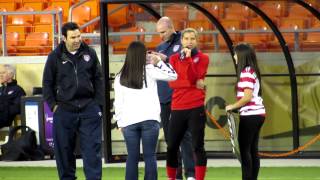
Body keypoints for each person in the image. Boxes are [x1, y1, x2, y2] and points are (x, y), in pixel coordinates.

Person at [42, 22, 103, 180]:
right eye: (73, 37)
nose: (77, 40)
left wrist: (98, 104)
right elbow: (47, 84)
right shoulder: (54, 57)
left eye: (79, 36)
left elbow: (99, 79)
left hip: (89, 108)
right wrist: (54, 106)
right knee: (64, 151)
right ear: (64, 38)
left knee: (92, 150)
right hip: (64, 109)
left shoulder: (90, 53)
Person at [113, 41, 177, 180]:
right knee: (150, 156)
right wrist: (159, 61)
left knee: (132, 157)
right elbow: (173, 75)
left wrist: (120, 123)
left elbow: (118, 103)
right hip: (150, 120)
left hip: (129, 122)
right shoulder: (150, 70)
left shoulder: (119, 76)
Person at [166, 28, 209, 180]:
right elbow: (172, 83)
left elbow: (193, 76)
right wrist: (192, 83)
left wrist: (188, 60)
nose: (189, 42)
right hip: (178, 107)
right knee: (172, 146)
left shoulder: (203, 58)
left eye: (192, 39)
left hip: (196, 107)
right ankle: (172, 178)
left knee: (197, 146)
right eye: (186, 39)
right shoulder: (173, 59)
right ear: (181, 40)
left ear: (197, 41)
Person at [156, 16, 195, 180]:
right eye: (159, 33)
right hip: (165, 98)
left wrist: (166, 60)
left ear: (172, 27)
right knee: (171, 139)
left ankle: (191, 174)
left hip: (181, 98)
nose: (161, 36)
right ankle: (176, 175)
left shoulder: (185, 40)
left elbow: (189, 64)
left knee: (185, 136)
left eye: (163, 32)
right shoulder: (160, 46)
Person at [225, 43, 265, 180]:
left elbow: (247, 97)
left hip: (251, 115)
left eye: (235, 53)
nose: (234, 56)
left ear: (241, 55)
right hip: (257, 114)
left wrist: (232, 106)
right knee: (252, 150)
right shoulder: (252, 70)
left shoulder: (246, 71)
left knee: (244, 152)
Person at [0, 64, 26, 129]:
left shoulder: (18, 90)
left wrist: (3, 107)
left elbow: (18, 108)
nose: (0, 75)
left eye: (3, 73)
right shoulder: (1, 89)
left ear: (11, 75)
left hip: (4, 117)